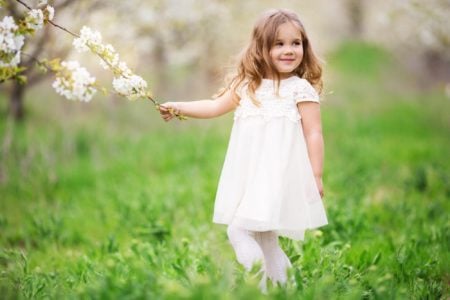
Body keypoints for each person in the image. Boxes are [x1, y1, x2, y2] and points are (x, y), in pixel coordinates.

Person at [158, 8, 328, 292]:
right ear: (261, 49)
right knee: (265, 239)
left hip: (278, 173)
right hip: (251, 173)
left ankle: (257, 288)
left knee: (238, 230)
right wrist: (178, 107)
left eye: (295, 43)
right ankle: (285, 291)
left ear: (304, 47)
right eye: (279, 44)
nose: (289, 50)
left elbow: (314, 132)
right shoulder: (248, 85)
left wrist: (316, 175)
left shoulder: (300, 89)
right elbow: (213, 107)